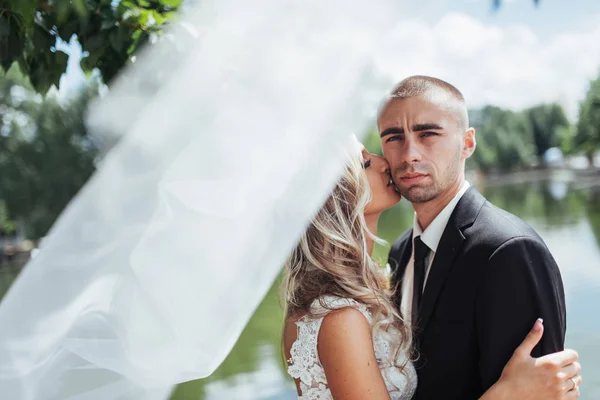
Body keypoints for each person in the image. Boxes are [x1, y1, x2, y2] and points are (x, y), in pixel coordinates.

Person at [281, 142, 582, 399]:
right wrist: (509, 392)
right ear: (335, 194)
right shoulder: (338, 316)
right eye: (364, 163)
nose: (384, 163)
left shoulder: (366, 284)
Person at [379, 76, 573, 399]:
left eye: (428, 134)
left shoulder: (509, 251)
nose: (409, 153)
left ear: (467, 143)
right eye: (394, 137)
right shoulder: (401, 251)